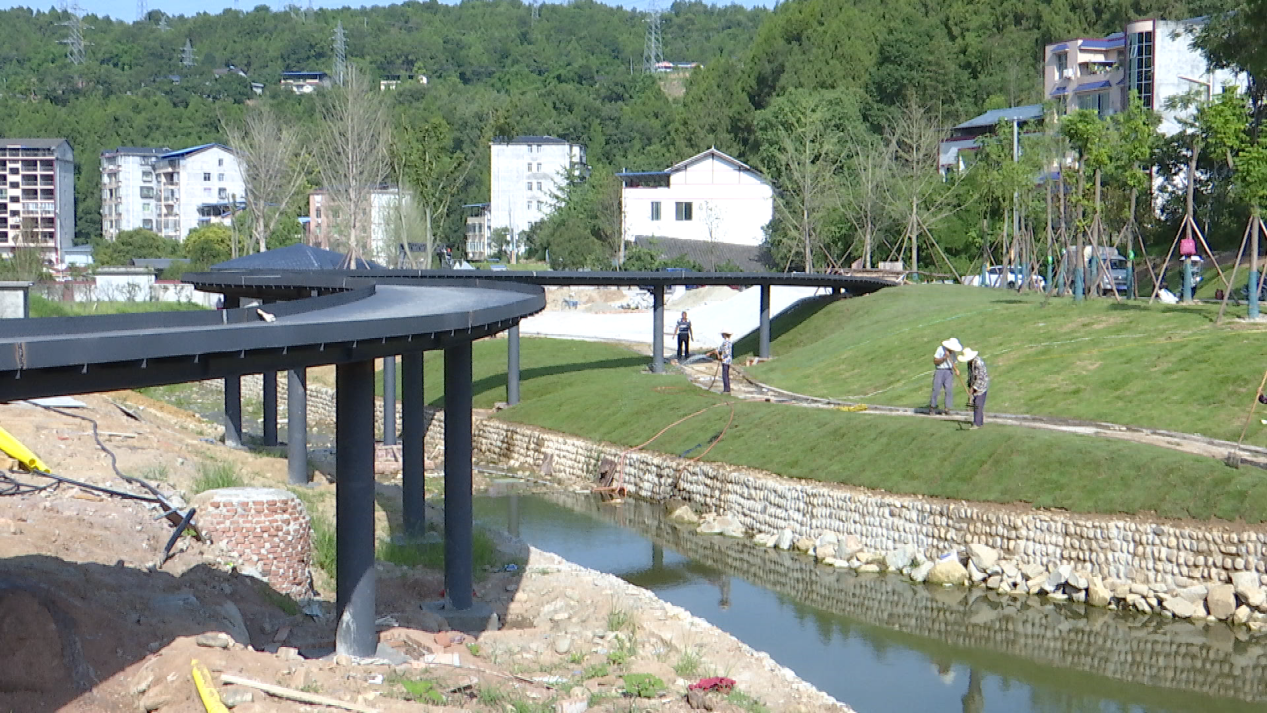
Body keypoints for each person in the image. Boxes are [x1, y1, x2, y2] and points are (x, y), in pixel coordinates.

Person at [930, 337, 962, 415]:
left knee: (949, 390)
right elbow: (935, 361)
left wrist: (956, 370)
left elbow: (953, 363)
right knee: (936, 389)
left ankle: (947, 408)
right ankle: (932, 407)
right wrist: (944, 358)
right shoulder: (940, 349)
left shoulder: (953, 353)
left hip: (949, 371)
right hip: (940, 371)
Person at [960, 347, 989, 429]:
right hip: (975, 384)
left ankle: (977, 423)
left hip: (981, 385)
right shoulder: (970, 363)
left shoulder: (978, 363)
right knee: (976, 403)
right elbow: (971, 375)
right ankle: (980, 421)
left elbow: (980, 377)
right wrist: (970, 385)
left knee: (978, 404)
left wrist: (974, 387)